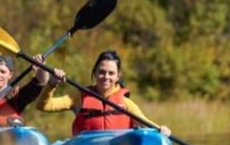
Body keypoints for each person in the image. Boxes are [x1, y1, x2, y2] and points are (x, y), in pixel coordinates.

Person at [36, 50, 171, 136]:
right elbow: (43, 106)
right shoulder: (78, 97)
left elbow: (145, 123)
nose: (106, 77)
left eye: (111, 73)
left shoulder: (125, 103)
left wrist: (161, 129)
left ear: (118, 76)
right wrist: (52, 83)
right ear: (95, 73)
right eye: (102, 72)